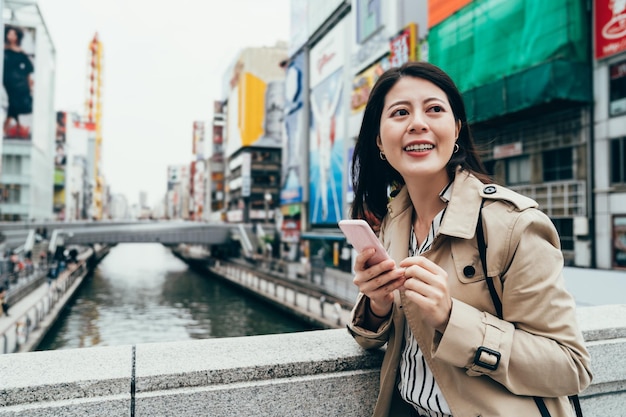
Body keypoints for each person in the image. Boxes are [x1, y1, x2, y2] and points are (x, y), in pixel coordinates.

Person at [346, 61, 592, 417]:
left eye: (434, 109)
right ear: (380, 142)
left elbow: (571, 366)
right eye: (400, 112)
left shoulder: (513, 225)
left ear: (456, 129)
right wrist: (377, 303)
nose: (418, 123)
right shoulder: (393, 222)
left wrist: (450, 318)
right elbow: (372, 339)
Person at [3, 25, 34, 139]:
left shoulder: (21, 53)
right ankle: (11, 129)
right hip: (7, 84)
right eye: (9, 33)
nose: (10, 36)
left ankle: (8, 130)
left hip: (19, 86)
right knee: (12, 108)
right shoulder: (4, 51)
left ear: (17, 37)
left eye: (13, 34)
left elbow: (28, 71)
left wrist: (30, 86)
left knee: (13, 108)